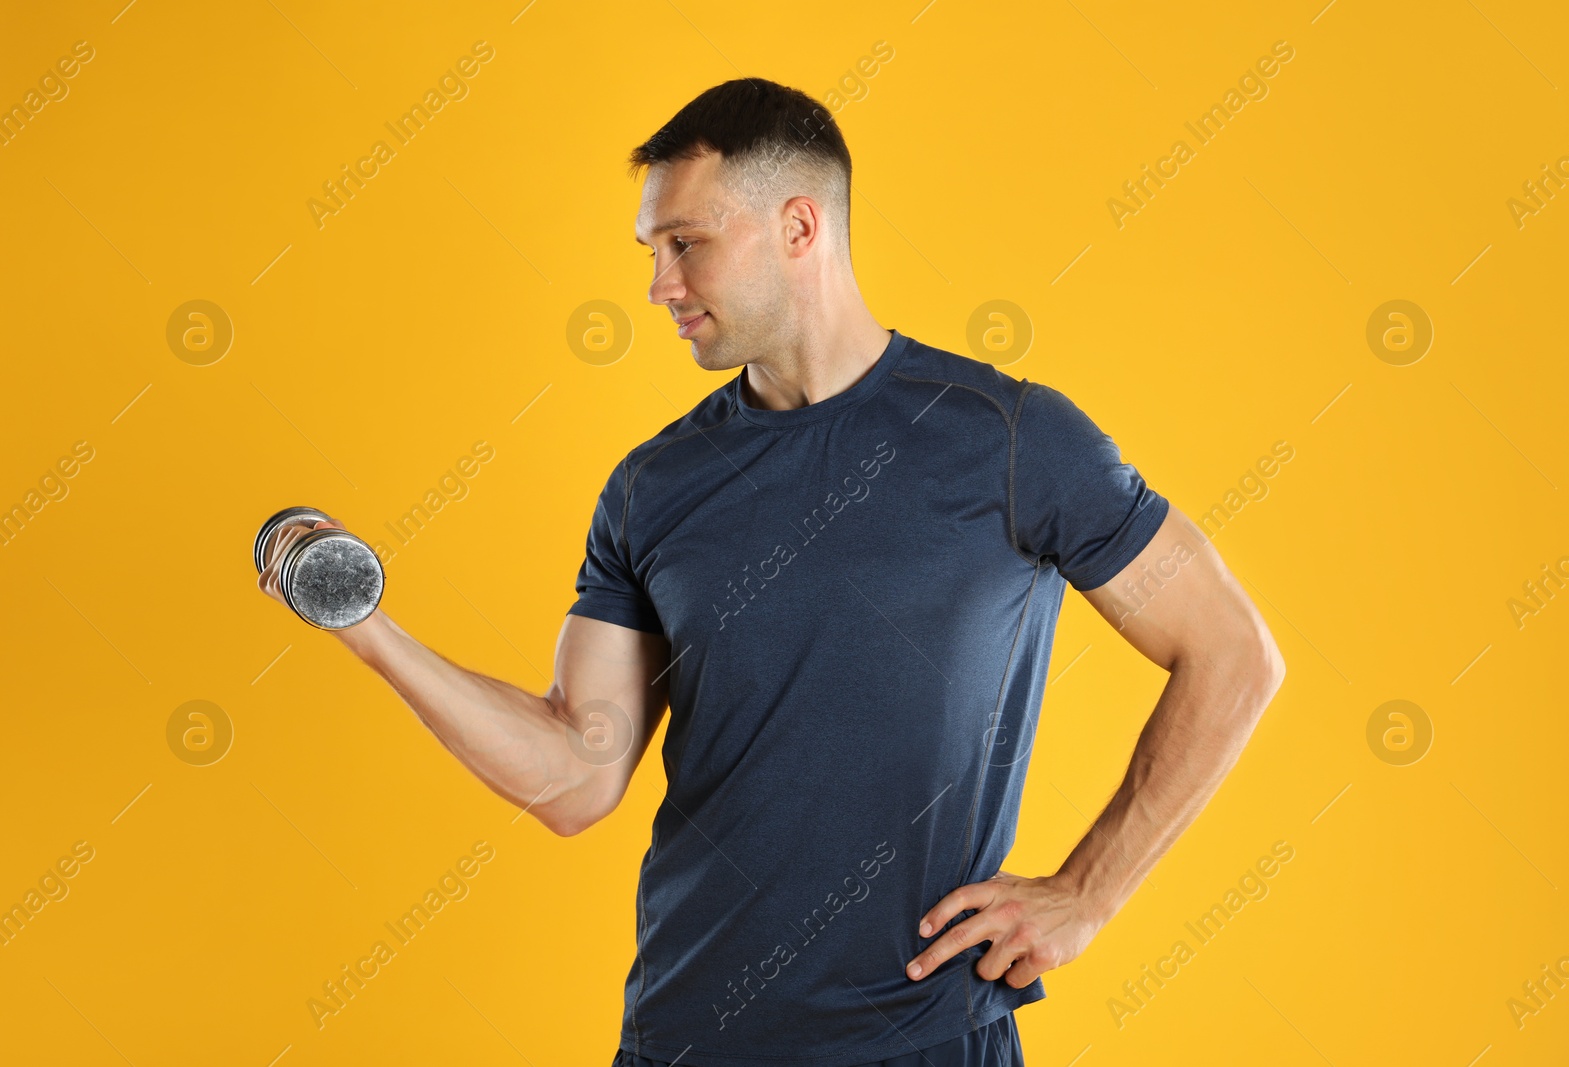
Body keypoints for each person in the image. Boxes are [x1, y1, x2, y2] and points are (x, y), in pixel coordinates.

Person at [257, 77, 1285, 1067]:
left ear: (800, 228)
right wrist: (366, 624)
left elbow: (1231, 652)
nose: (659, 282)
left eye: (685, 244)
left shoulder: (1011, 440)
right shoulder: (651, 487)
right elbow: (576, 774)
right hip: (689, 1035)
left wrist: (1089, 890)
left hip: (926, 1036)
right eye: (653, 248)